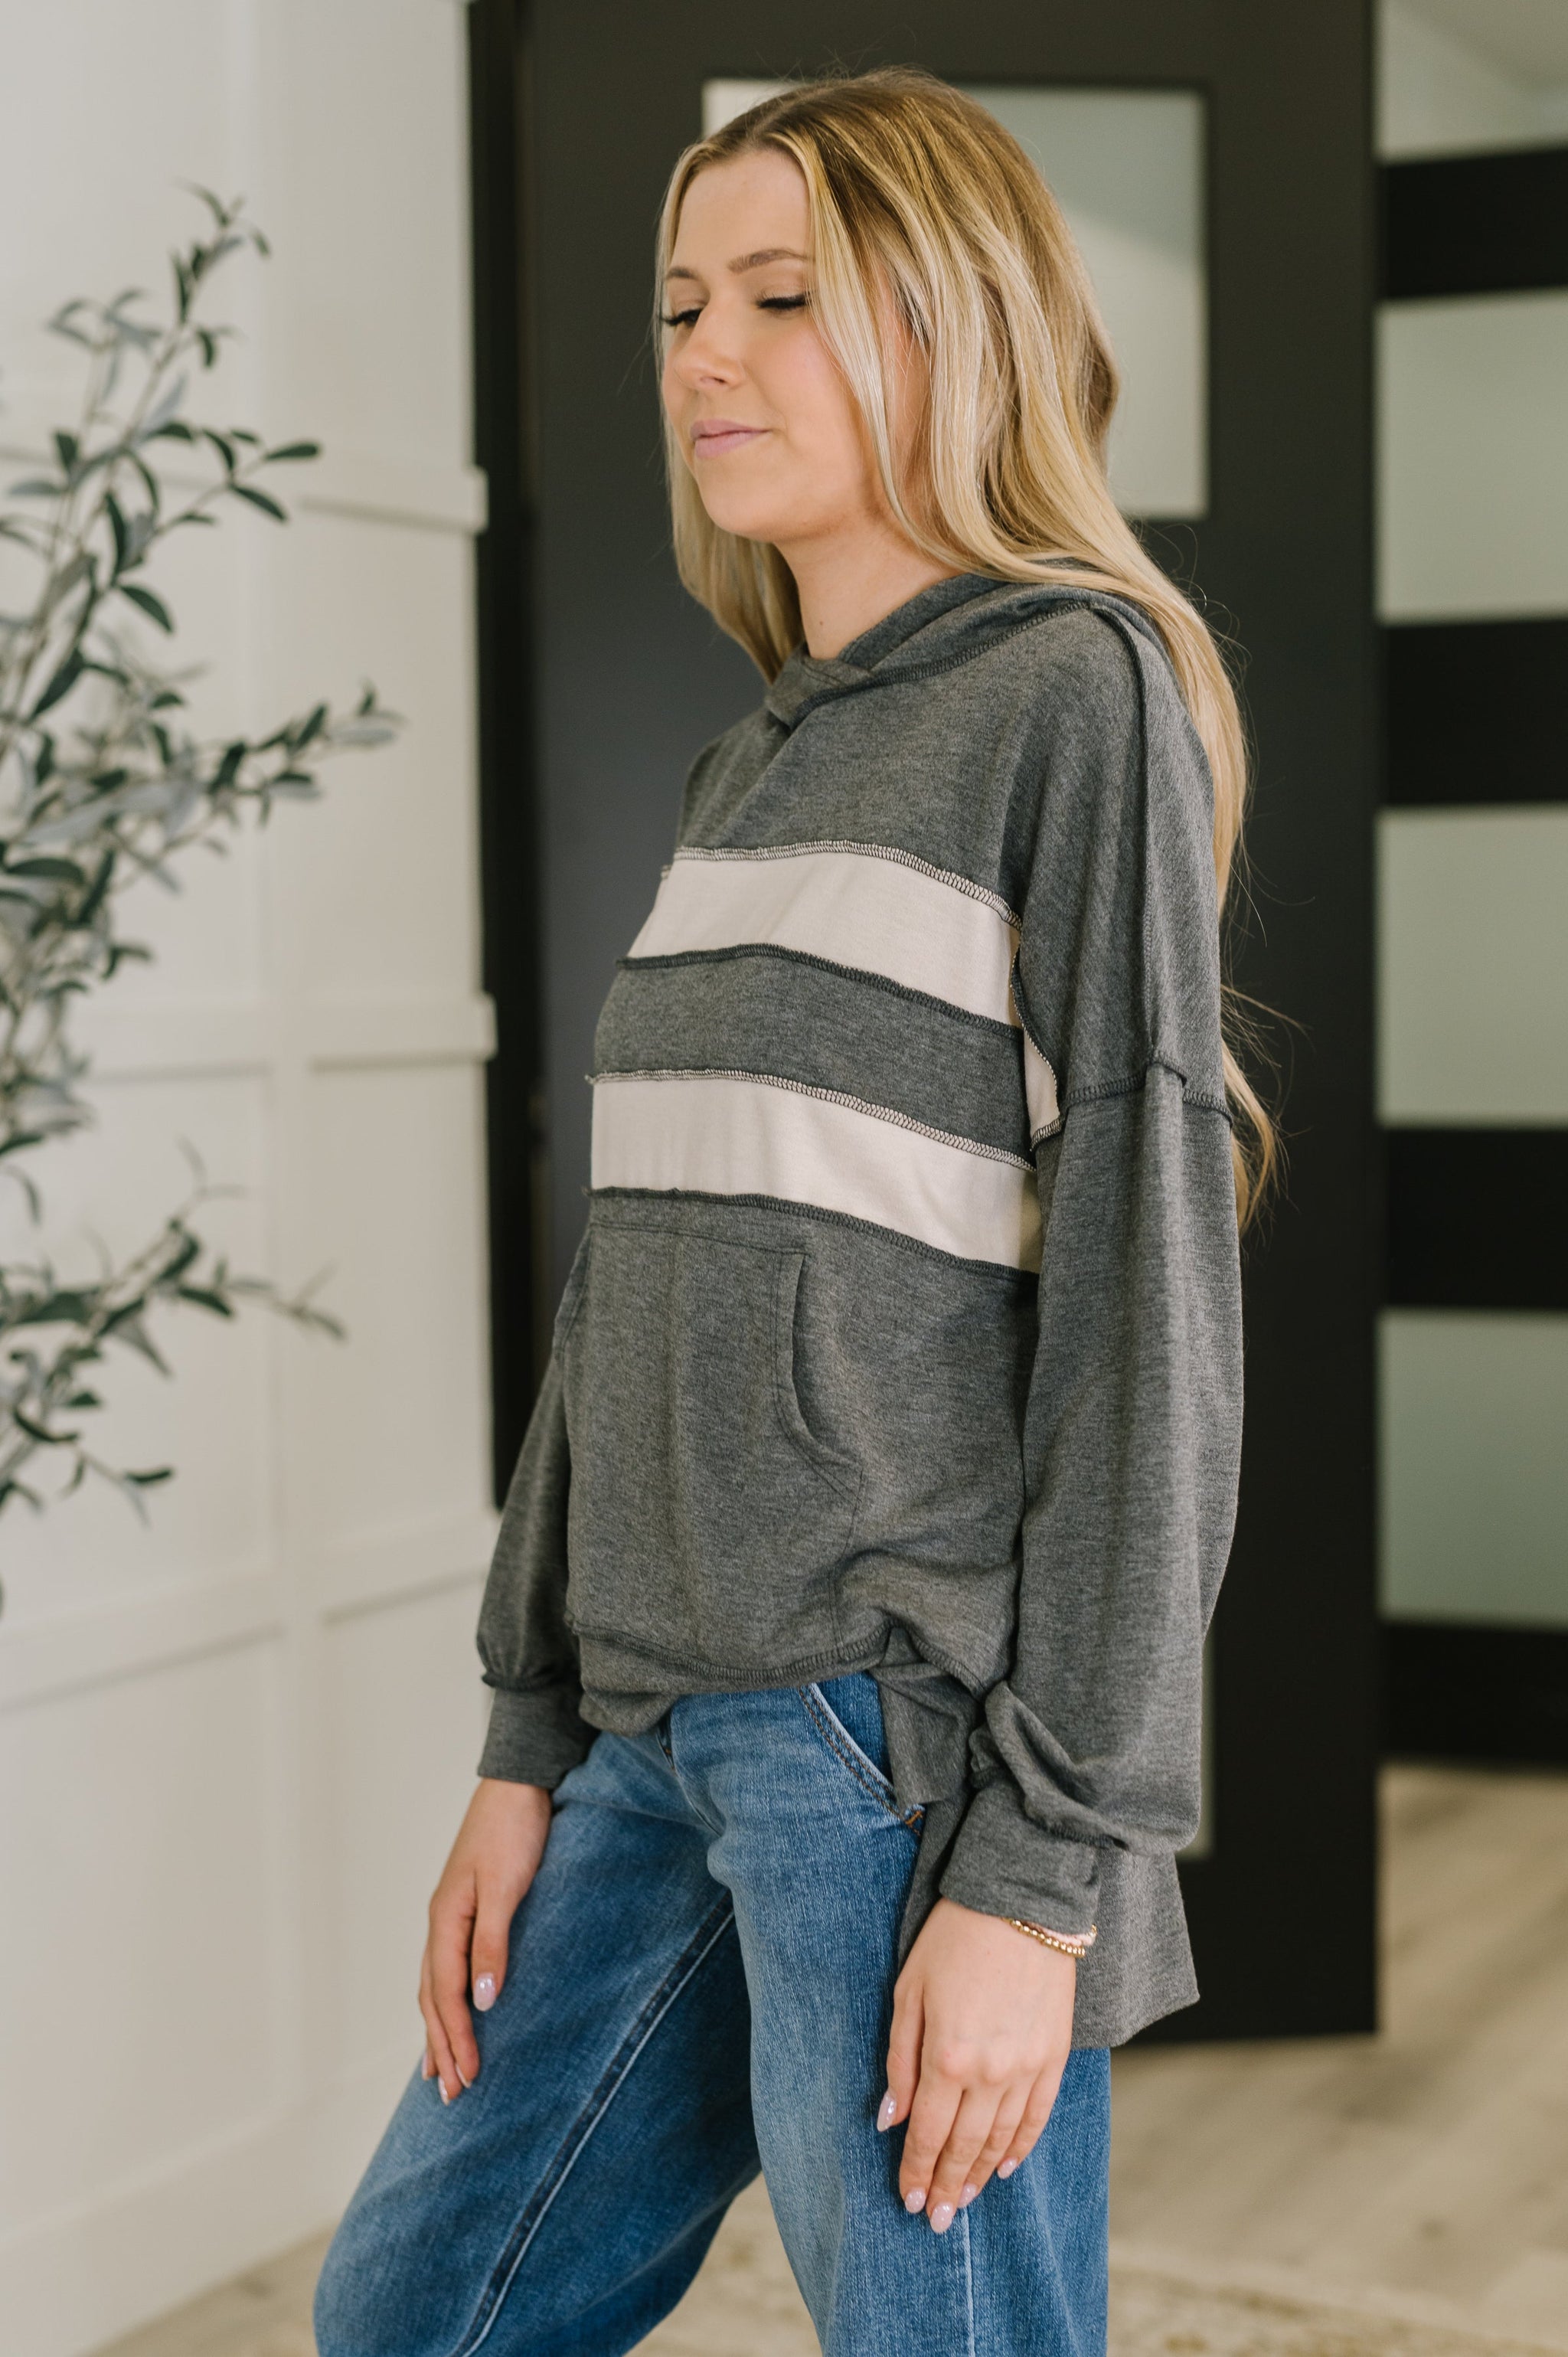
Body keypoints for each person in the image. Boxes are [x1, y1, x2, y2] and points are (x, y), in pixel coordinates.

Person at [314, 67, 1269, 2357]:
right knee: (413, 2314)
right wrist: (526, 1735)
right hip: (650, 1729)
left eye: (781, 298)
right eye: (682, 307)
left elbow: (1147, 1312)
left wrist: (1039, 1879)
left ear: (955, 327)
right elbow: (631, 1280)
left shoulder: (1073, 693)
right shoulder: (752, 757)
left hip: (883, 1743)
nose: (705, 356)